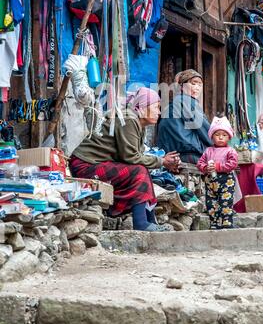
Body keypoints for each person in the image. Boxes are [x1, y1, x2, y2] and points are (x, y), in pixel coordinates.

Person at [69, 87, 180, 232]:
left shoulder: (137, 123)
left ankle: (150, 221)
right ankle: (142, 223)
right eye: (156, 107)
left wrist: (161, 162)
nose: (159, 112)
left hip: (98, 163)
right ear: (142, 106)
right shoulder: (129, 119)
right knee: (139, 171)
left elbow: (135, 155)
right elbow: (131, 157)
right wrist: (162, 161)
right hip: (85, 165)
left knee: (141, 170)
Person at [157, 69, 212, 164]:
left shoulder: (174, 103)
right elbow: (205, 130)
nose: (197, 87)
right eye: (193, 84)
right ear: (182, 86)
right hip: (187, 155)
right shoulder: (186, 101)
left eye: (200, 85)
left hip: (170, 156)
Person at [197, 116, 238, 229]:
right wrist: (206, 168)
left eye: (224, 135)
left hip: (226, 181)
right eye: (217, 134)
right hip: (211, 182)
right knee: (211, 203)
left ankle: (226, 223)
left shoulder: (231, 151)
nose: (220, 137)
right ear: (211, 136)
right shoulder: (208, 151)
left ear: (229, 137)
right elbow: (199, 163)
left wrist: (218, 166)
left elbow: (232, 164)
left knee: (226, 202)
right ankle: (213, 223)